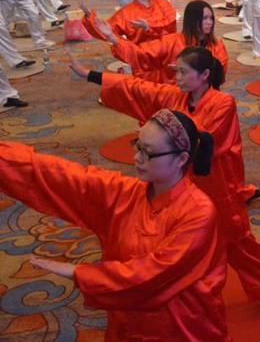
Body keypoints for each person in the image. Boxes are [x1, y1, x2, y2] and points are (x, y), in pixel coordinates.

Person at [68, 47, 260, 307]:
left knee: (239, 244)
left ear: (204, 75)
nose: (176, 77)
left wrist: (162, 138)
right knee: (172, 244)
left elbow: (204, 139)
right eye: (176, 71)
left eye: (182, 72)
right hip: (180, 188)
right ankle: (166, 295)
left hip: (217, 186)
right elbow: (138, 88)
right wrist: (89, 75)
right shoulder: (175, 97)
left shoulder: (222, 103)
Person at [0, 110, 230, 340]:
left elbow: (153, 275)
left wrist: (78, 272)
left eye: (148, 152)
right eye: (137, 146)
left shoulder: (198, 212)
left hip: (180, 325)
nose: (137, 158)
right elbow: (65, 177)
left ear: (181, 159)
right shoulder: (128, 193)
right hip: (128, 321)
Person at [89, 0, 228, 84]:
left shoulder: (217, 46)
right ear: (192, 20)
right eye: (204, 18)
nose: (209, 22)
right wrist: (114, 38)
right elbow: (142, 53)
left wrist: (188, 70)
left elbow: (219, 76)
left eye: (211, 18)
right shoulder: (173, 42)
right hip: (175, 97)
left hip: (205, 99)